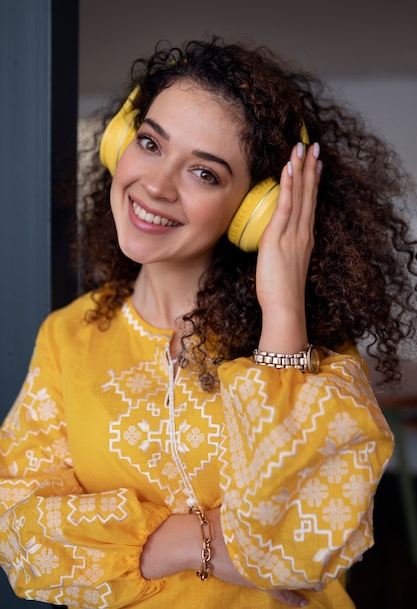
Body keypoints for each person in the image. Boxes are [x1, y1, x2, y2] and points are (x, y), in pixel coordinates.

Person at [1, 35, 416, 609]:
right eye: (150, 143)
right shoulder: (67, 336)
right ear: (122, 140)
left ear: (254, 211)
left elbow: (304, 548)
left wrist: (282, 310)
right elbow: (23, 535)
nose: (156, 184)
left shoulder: (309, 346)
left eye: (205, 174)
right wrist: (189, 542)